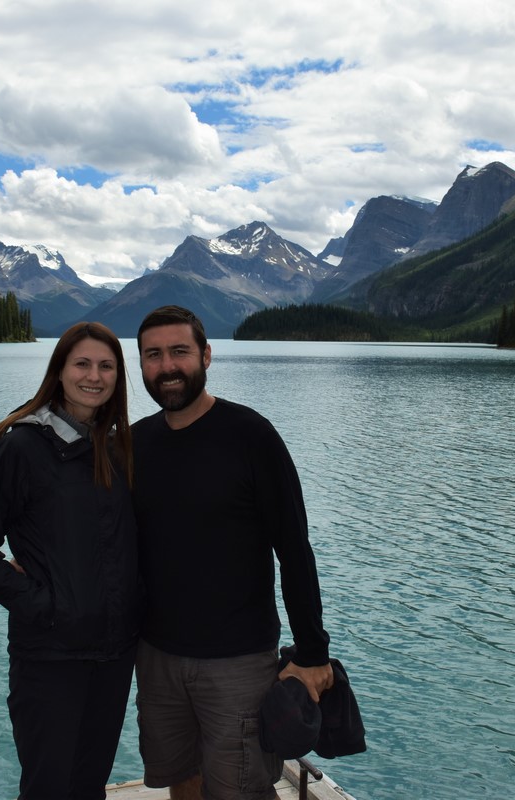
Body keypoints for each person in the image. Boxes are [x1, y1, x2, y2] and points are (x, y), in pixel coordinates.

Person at [131, 305, 335, 800]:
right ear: (141, 365)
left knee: (239, 789)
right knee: (181, 779)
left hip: (237, 662)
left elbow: (294, 548)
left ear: (206, 355)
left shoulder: (251, 436)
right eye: (153, 355)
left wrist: (311, 651)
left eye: (179, 351)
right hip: (156, 657)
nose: (167, 366)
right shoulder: (134, 444)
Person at [0, 321, 140, 800]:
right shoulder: (22, 446)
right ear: (59, 371)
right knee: (47, 788)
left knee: (89, 785)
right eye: (82, 364)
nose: (93, 376)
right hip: (50, 657)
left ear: (119, 377)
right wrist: (44, 605)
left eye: (106, 366)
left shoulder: (116, 447)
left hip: (114, 655)